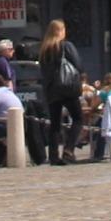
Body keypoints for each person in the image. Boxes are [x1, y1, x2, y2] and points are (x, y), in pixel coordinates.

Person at [36, 19, 86, 166]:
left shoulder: (44, 50)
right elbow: (78, 64)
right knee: (78, 118)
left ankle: (53, 155)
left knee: (55, 123)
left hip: (52, 89)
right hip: (67, 86)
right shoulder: (66, 46)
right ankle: (69, 150)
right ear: (61, 31)